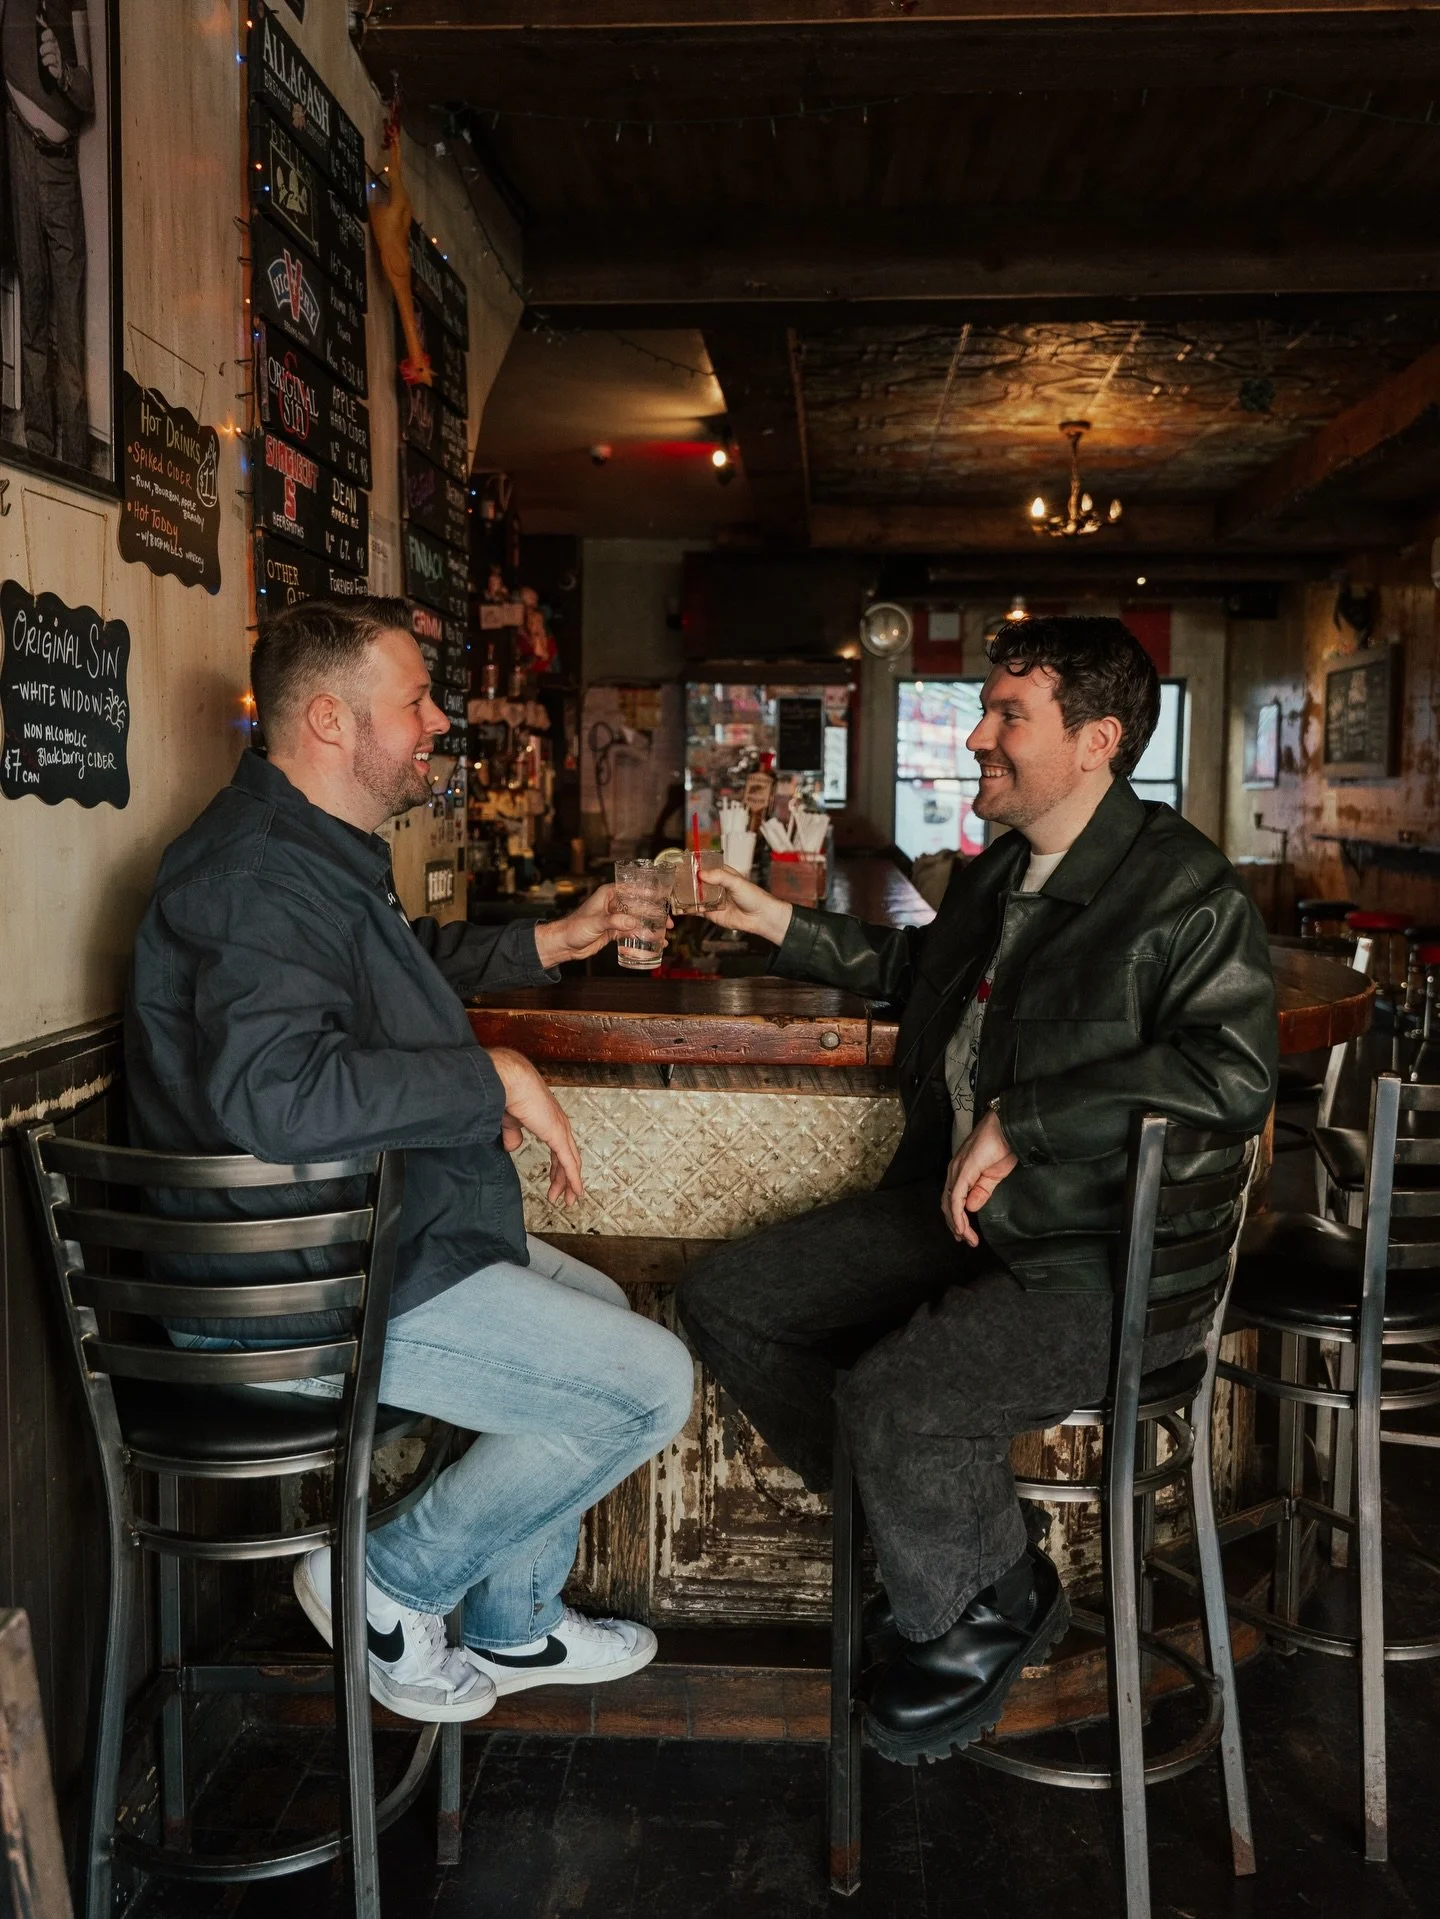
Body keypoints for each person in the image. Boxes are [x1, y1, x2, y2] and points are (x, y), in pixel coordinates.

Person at [678, 616, 1277, 1765]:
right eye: (985, 709)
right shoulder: (1004, 864)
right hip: (976, 1221)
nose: (977, 738)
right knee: (730, 1299)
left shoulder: (1186, 890)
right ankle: (957, 1553)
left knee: (899, 1398)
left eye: (1011, 715)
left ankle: (975, 1601)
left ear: (1098, 740)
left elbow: (1233, 1075)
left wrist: (1026, 1117)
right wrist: (777, 922)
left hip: (1099, 1254)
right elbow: (925, 970)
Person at [125, 597, 695, 1726]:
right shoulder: (251, 876)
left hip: (352, 1238)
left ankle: (512, 1618)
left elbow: (392, 970)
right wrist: (492, 1075)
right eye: (417, 700)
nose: (439, 720)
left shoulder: (308, 850)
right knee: (649, 1383)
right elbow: (280, 1097)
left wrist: (553, 938)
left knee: (599, 1305)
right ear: (330, 720)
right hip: (288, 1290)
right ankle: (388, 1580)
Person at [2, 2, 94, 466]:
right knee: (34, 302)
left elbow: (88, 95)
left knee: (70, 317)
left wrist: (65, 74)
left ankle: (76, 457)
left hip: (61, 168)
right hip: (19, 151)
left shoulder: (72, 1)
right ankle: (38, 441)